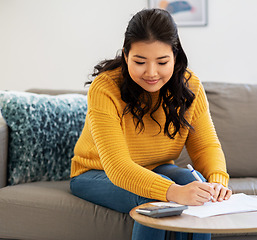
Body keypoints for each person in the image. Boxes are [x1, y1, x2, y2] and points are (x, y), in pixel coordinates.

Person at [70, 8, 232, 240]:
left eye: (162, 61)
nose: (151, 73)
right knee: (157, 197)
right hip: (95, 173)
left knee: (199, 189)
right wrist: (172, 192)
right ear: (126, 55)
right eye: (140, 61)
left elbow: (205, 146)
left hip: (156, 167)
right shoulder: (105, 88)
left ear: (175, 56)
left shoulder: (191, 85)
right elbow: (118, 167)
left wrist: (216, 182)